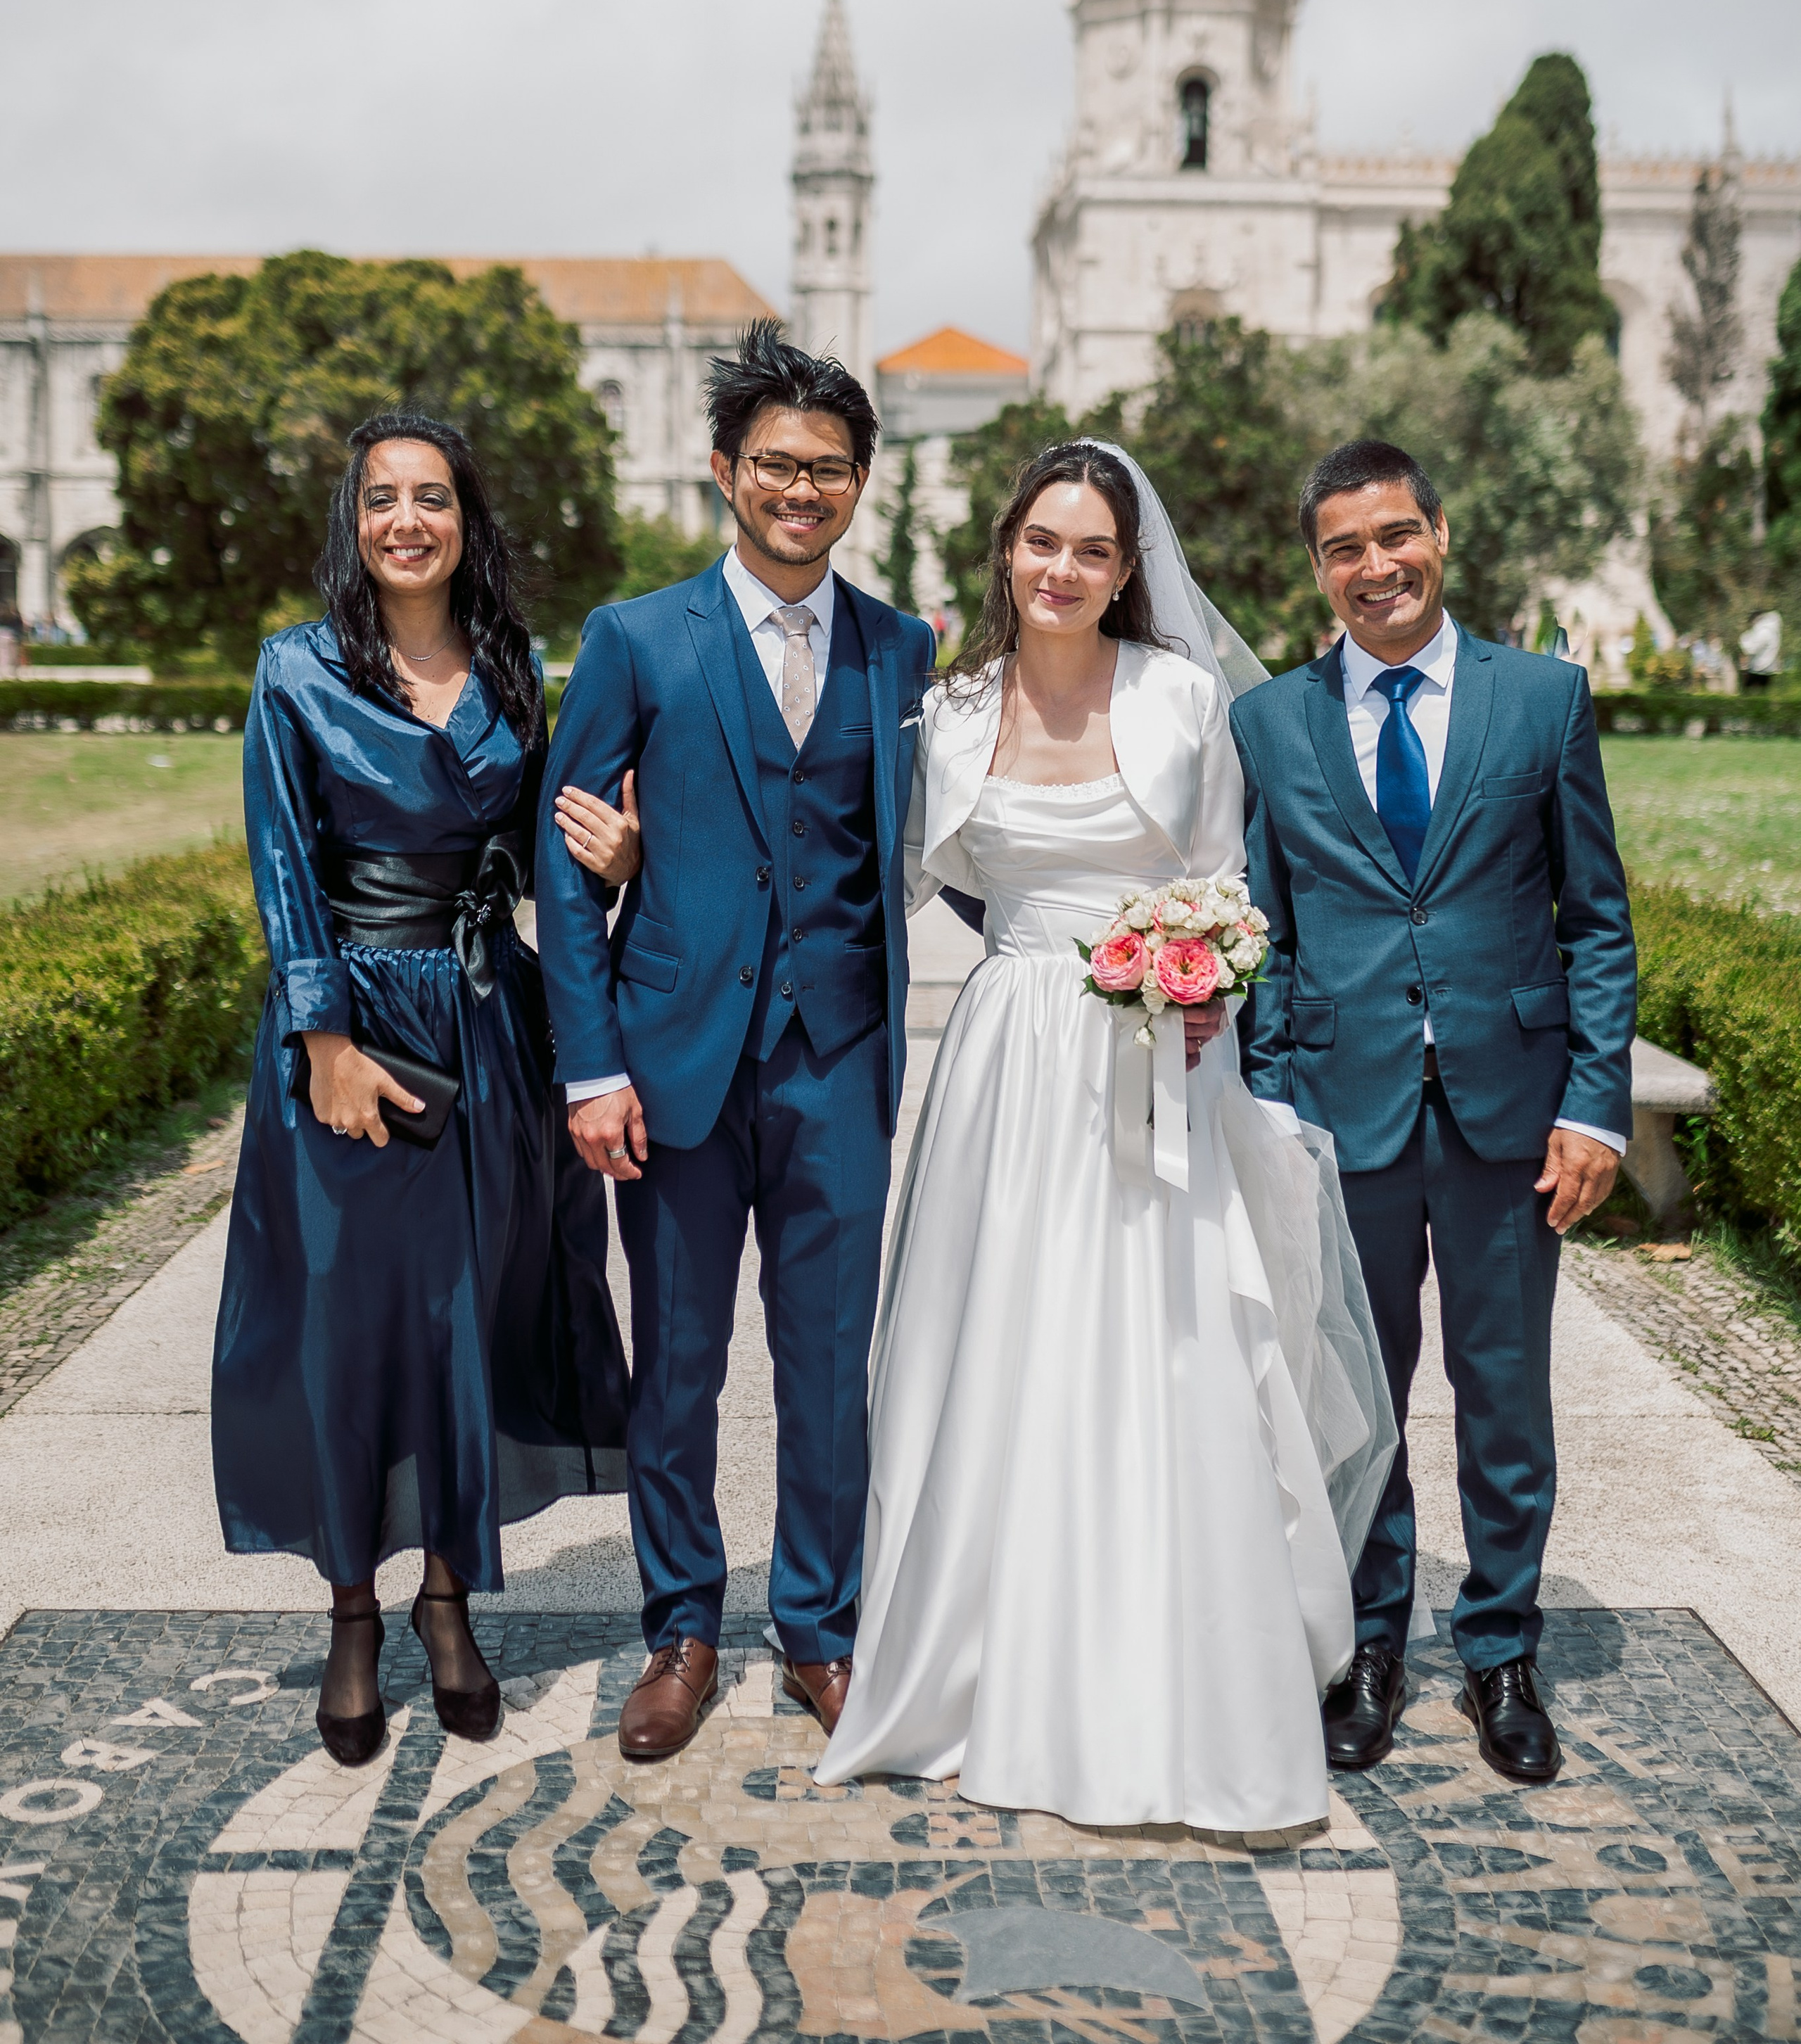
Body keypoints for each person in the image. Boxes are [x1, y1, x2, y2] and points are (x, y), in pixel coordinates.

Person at [814, 441, 1394, 1832]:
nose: (1061, 570)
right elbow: (861, 872)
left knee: (1160, 1346)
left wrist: (1198, 988)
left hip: (1155, 1058)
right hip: (1007, 1065)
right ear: (1006, 548)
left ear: (1128, 569)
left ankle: (1174, 1671)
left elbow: (1225, 881)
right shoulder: (950, 713)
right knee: (1000, 1345)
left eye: (1091, 549)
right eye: (1042, 541)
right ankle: (979, 1660)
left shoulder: (1182, 697)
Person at [536, 321, 937, 1762]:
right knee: (680, 1362)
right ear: (724, 470)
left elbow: (942, 842)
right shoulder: (636, 638)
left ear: (859, 483)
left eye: (826, 468)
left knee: (830, 1367)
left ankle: (820, 1628)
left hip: (838, 1060)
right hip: (671, 1061)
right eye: (775, 464)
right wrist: (592, 1066)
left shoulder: (903, 647)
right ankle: (683, 1628)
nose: (799, 490)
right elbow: (566, 867)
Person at [212, 412, 628, 1768]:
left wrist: (617, 863)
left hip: (487, 1022)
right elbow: (283, 862)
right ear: (356, 520)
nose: (408, 521)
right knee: (348, 1324)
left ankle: (448, 1598)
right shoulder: (298, 667)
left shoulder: (515, 665)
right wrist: (324, 1041)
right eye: (383, 498)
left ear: (466, 521)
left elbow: (545, 855)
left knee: (470, 1315)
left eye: (432, 497)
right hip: (355, 1033)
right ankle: (352, 1608)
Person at [1231, 439, 1636, 1788]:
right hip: (1339, 1118)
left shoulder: (1543, 700)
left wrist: (1595, 1108)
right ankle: (1371, 1647)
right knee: (1358, 1400)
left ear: (1441, 535)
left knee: (1503, 1397)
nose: (1376, 567)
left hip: (1509, 1119)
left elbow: (1596, 920)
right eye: (1344, 548)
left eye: (1395, 535)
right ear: (1318, 568)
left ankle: (1502, 1651)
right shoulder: (1269, 724)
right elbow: (1267, 939)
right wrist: (1274, 1108)